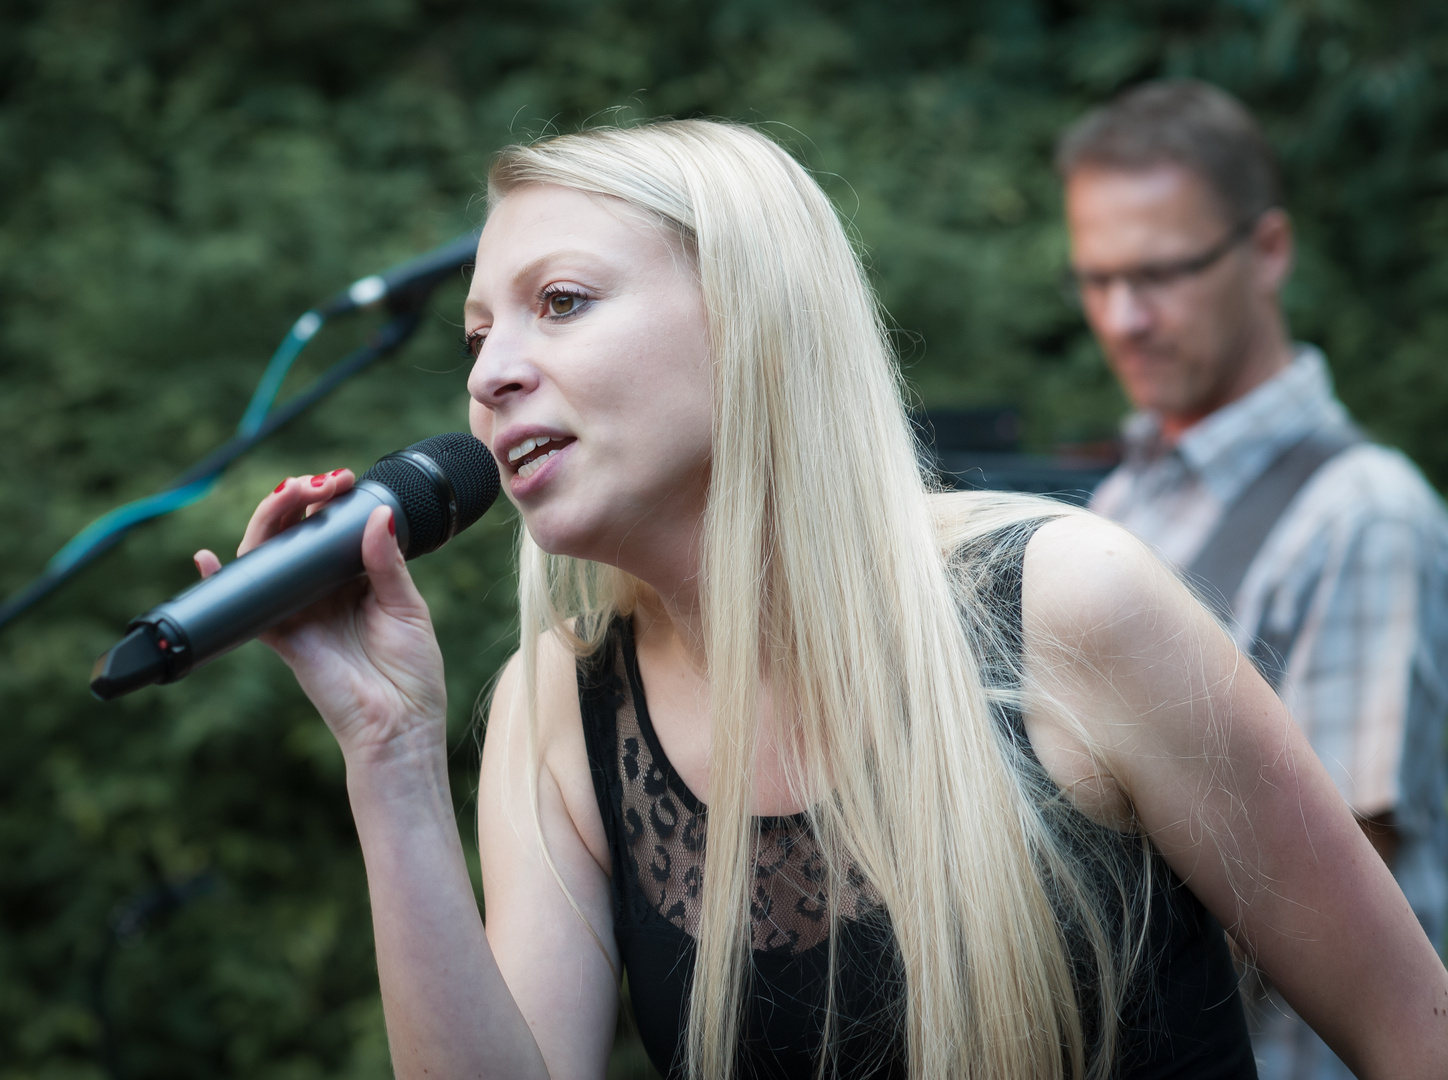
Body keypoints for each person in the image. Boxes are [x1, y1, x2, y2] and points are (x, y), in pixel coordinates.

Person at [196, 120, 1448, 1080]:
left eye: (559, 304)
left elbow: (1413, 1035)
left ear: (752, 316)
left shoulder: (1070, 600)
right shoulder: (557, 714)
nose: (493, 374)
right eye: (474, 339)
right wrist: (390, 754)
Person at [1057, 80, 1448, 1078]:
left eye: (1160, 273)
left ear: (1266, 250)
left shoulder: (1358, 512)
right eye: (1095, 281)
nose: (1123, 318)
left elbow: (1323, 893)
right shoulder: (1118, 503)